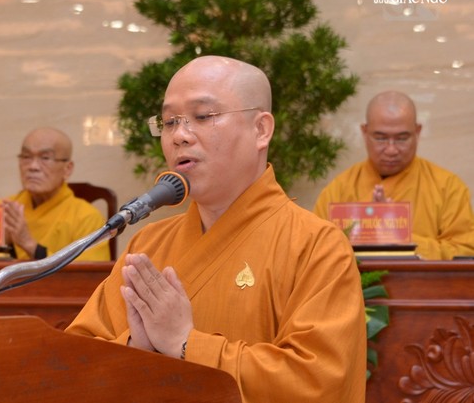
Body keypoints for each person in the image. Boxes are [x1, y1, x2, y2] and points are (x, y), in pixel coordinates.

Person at [65, 56, 366, 402]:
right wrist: (135, 347)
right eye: (169, 122)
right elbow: (75, 364)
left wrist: (185, 343)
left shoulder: (316, 246)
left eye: (203, 116)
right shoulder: (149, 244)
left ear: (261, 130)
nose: (179, 136)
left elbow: (318, 383)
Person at [313, 90, 474, 260]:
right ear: (365, 132)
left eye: (402, 138)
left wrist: (400, 238)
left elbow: (465, 251)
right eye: (380, 138)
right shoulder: (338, 190)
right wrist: (368, 231)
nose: (391, 150)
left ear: (417, 132)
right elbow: (315, 250)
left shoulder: (447, 187)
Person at [0, 127, 111, 261]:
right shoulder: (4, 211)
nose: (33, 166)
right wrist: (3, 244)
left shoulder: (87, 218)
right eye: (26, 157)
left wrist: (30, 245)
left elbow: (90, 272)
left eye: (45, 158)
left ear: (67, 169)